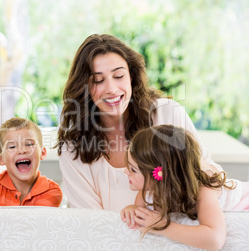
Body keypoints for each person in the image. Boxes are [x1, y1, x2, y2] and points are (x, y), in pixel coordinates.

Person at [57, 34, 222, 212]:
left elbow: (210, 177)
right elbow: (90, 225)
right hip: (111, 239)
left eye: (119, 76)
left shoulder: (167, 113)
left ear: (132, 77)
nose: (112, 89)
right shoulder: (72, 148)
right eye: (98, 80)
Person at [121, 125, 249, 250]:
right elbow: (140, 213)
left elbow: (215, 239)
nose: (126, 172)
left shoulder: (203, 190)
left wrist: (162, 226)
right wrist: (131, 210)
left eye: (133, 169)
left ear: (159, 175)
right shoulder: (147, 193)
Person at [0, 117, 62, 206]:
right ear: (1, 159)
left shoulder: (52, 190)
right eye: (12, 147)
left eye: (29, 144)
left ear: (42, 153)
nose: (22, 150)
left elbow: (34, 219)